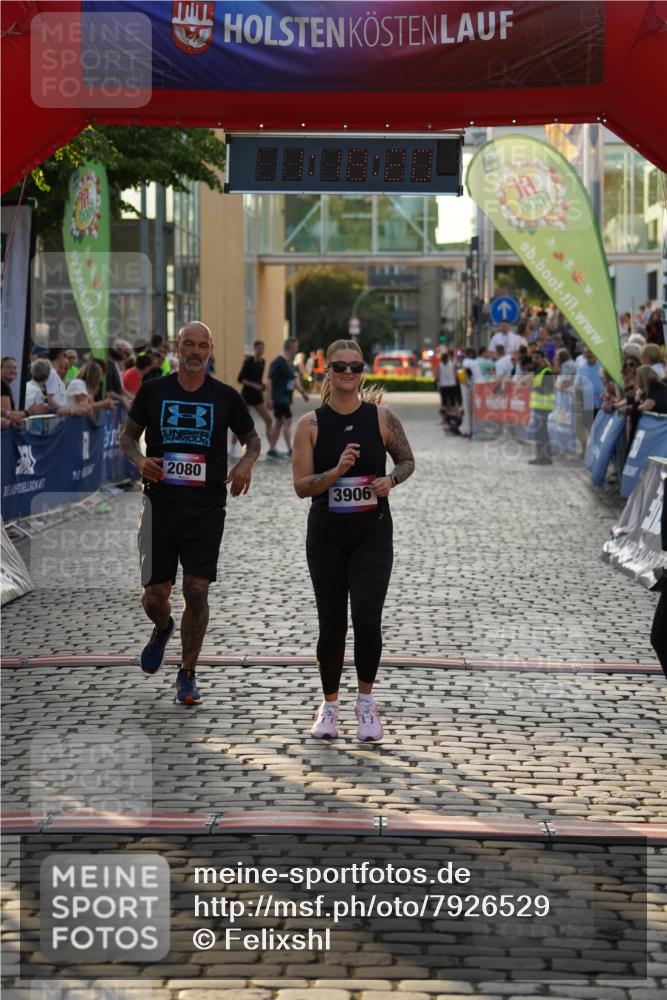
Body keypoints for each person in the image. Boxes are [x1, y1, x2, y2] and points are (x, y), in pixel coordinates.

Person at [120, 321, 261, 706]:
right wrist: (139, 461)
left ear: (210, 349)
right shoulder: (153, 391)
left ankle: (187, 673)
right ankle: (162, 627)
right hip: (159, 505)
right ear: (176, 349)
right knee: (153, 597)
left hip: (205, 507)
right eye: (188, 344)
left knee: (196, 590)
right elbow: (128, 438)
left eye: (202, 346)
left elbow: (253, 439)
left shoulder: (225, 396)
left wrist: (247, 463)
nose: (195, 352)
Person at [292, 339, 415, 742]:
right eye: (340, 366)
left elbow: (408, 460)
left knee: (366, 618)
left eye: (356, 367)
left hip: (372, 535)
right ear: (326, 371)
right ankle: (329, 706)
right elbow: (302, 487)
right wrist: (337, 471)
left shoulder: (381, 417)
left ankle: (366, 702)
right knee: (331, 625)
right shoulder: (309, 425)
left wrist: (390, 481)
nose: (348, 373)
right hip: (326, 536)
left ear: (363, 372)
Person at [266, 337, 309, 459]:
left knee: (279, 423)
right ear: (290, 347)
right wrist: (268, 398)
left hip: (284, 398)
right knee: (288, 420)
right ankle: (290, 450)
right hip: (280, 398)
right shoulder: (278, 362)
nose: (297, 349)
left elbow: (293, 380)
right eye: (295, 346)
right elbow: (269, 381)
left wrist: (302, 392)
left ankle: (271, 450)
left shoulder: (288, 363)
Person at [237, 340, 272, 443]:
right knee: (241, 422)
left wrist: (262, 387)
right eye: (259, 348)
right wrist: (254, 385)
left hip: (257, 397)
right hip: (247, 396)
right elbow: (240, 379)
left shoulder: (262, 362)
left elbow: (258, 379)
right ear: (254, 349)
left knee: (269, 420)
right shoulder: (248, 362)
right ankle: (233, 446)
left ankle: (272, 447)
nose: (261, 350)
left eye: (262, 348)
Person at [528, 349, 555, 465]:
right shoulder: (538, 371)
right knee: (539, 433)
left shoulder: (547, 372)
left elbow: (548, 389)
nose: (534, 360)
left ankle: (545, 458)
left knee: (542, 433)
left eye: (537, 357)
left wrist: (534, 388)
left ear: (542, 358)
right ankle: (540, 456)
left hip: (544, 407)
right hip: (538, 407)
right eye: (533, 358)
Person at [1, 357, 25, 426]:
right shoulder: (2, 386)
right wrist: (29, 412)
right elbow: (9, 414)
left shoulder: (5, 386)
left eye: (15, 368)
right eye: (8, 367)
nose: (12, 370)